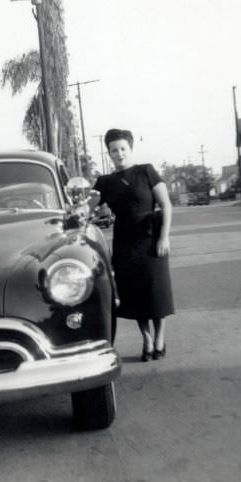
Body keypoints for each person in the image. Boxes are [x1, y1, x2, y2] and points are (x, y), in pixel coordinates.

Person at [88, 128, 175, 361]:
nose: (119, 153)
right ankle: (146, 338)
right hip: (125, 241)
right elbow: (87, 205)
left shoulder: (146, 171)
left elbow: (166, 205)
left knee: (156, 292)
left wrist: (164, 237)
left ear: (130, 149)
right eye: (114, 150)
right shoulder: (105, 181)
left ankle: (159, 338)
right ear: (109, 154)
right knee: (135, 294)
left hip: (151, 236)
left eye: (123, 149)